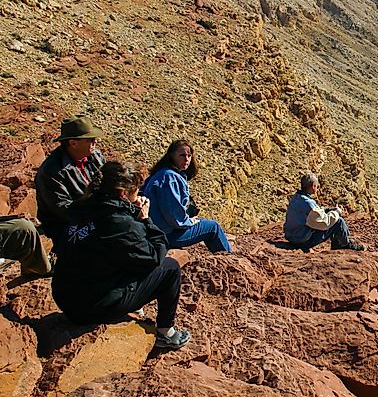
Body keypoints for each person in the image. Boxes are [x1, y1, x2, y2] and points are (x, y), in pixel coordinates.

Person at [51, 161, 190, 349]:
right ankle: (166, 333)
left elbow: (115, 243)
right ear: (123, 193)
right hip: (91, 307)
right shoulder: (118, 223)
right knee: (170, 268)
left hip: (66, 297)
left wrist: (131, 212)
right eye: (136, 190)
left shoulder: (83, 207)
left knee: (121, 258)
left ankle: (133, 305)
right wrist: (146, 219)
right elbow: (154, 255)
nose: (139, 194)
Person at [142, 140, 231, 253]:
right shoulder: (170, 178)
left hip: (155, 231)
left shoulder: (161, 173)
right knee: (213, 227)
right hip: (166, 235)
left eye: (189, 155)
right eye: (182, 155)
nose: (187, 159)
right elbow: (174, 216)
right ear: (171, 155)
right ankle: (228, 259)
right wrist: (189, 221)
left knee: (202, 222)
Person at [35, 115, 106, 240]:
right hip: (65, 226)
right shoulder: (52, 172)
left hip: (95, 214)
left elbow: (108, 182)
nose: (95, 142)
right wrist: (101, 212)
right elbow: (64, 210)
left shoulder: (96, 156)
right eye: (90, 139)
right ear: (73, 143)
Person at [283, 172, 365, 252]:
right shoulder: (308, 203)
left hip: (292, 237)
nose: (318, 188)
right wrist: (337, 212)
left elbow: (313, 214)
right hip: (301, 242)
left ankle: (340, 242)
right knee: (339, 222)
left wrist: (328, 210)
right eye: (317, 186)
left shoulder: (296, 198)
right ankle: (345, 244)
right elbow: (325, 223)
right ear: (313, 186)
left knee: (334, 219)